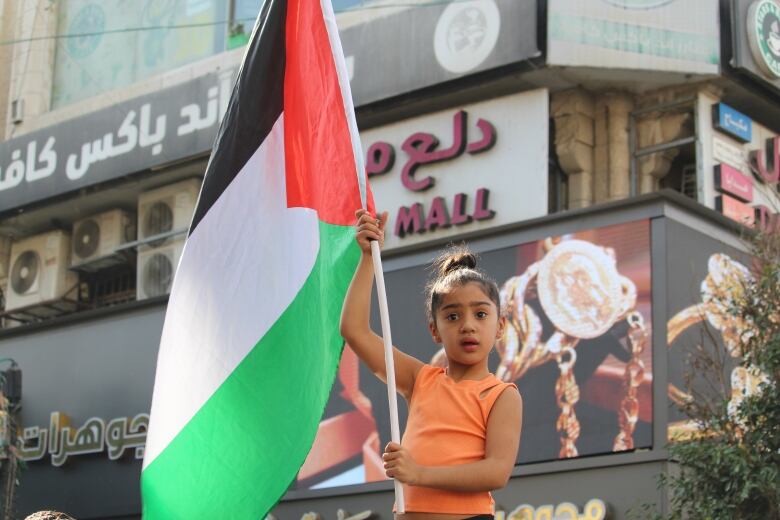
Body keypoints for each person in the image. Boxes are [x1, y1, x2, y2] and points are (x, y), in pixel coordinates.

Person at [340, 209, 523, 519]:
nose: (467, 326)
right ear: (434, 330)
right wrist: (369, 257)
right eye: (452, 316)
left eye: (480, 314)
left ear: (501, 326)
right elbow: (354, 330)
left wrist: (419, 473)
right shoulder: (420, 379)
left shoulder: (502, 395)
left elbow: (496, 472)